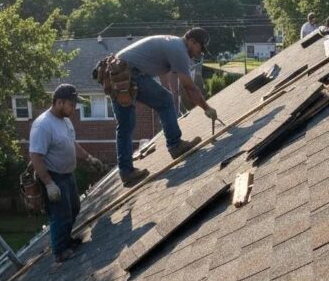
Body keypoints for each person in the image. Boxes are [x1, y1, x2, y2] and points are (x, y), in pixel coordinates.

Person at [113, 28, 218, 187]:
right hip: (127, 73)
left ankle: (126, 171)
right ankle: (175, 145)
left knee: (125, 125)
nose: (199, 53)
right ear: (192, 41)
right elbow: (189, 87)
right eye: (199, 48)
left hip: (114, 73)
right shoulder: (179, 50)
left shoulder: (172, 44)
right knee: (166, 100)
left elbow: (164, 76)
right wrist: (207, 108)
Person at [29, 84, 107, 263]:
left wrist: (89, 158)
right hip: (54, 177)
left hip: (67, 174)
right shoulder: (43, 125)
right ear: (59, 102)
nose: (74, 108)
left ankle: (67, 240)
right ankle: (59, 252)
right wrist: (49, 183)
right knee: (60, 214)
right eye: (71, 105)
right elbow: (35, 157)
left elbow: (72, 144)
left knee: (74, 208)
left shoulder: (65, 121)